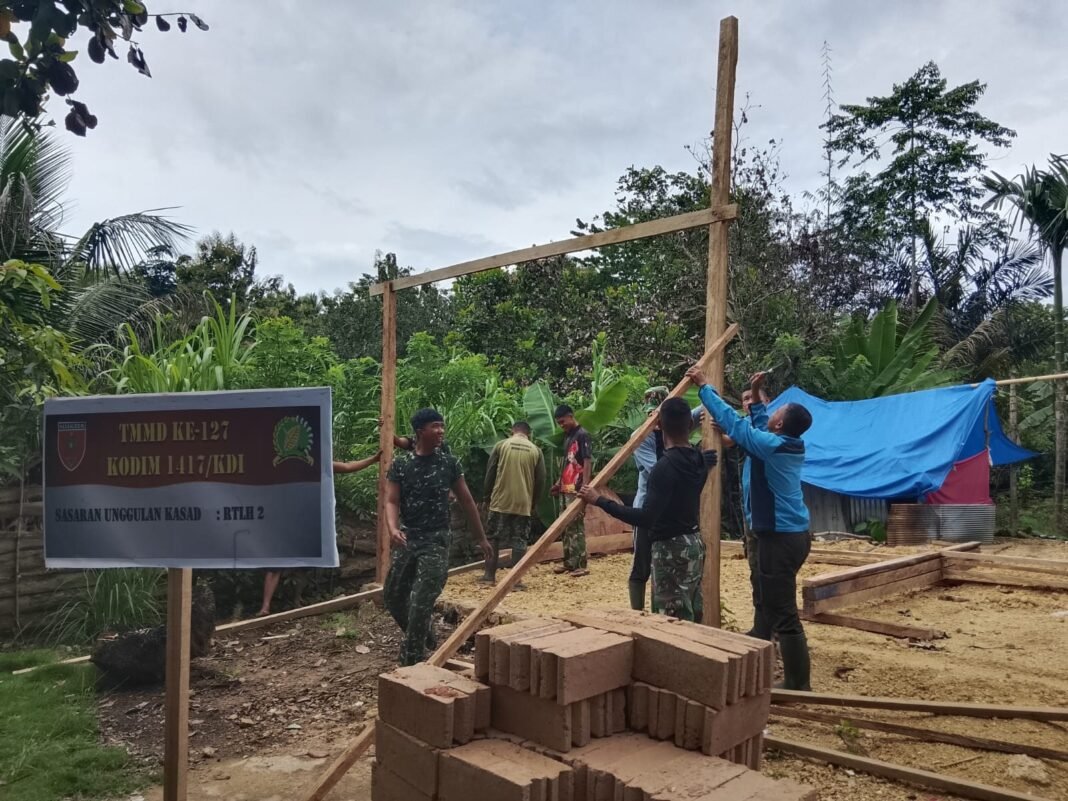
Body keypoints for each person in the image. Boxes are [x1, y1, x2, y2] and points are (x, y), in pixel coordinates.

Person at [687, 365, 814, 691]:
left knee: (783, 610)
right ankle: (760, 636)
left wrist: (704, 387)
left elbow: (737, 426)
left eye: (776, 412)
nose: (770, 414)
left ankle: (798, 682)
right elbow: (758, 422)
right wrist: (757, 394)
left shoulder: (771, 447)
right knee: (769, 593)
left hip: (781, 538)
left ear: (781, 424)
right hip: (791, 535)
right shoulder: (783, 443)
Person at [579, 398, 717, 621]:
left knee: (672, 618)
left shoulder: (665, 468)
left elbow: (646, 516)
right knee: (690, 610)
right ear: (690, 426)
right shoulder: (699, 460)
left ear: (659, 424)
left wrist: (600, 501)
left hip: (670, 547)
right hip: (692, 541)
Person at [384, 408, 491, 665]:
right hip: (409, 537)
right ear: (420, 431)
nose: (441, 431)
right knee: (393, 595)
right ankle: (424, 634)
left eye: (442, 426)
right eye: (435, 426)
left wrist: (481, 538)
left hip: (436, 540)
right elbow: (391, 500)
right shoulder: (402, 465)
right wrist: (392, 527)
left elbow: (466, 500)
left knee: (422, 600)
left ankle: (412, 662)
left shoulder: (448, 463)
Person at [257, 451, 382, 617]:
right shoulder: (282, 464)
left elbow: (347, 466)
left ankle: (297, 600)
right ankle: (265, 607)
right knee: (274, 565)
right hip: (284, 521)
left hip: (307, 520)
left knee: (304, 563)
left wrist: (373, 459)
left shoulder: (316, 464)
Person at [629, 387, 704, 611]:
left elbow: (704, 407)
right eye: (651, 415)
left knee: (672, 567)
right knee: (641, 566)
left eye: (659, 415)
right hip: (648, 507)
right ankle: (637, 613)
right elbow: (659, 473)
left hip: (675, 510)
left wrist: (705, 386)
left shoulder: (677, 421)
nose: (655, 421)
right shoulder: (640, 438)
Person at [717, 381, 770, 636]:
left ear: (765, 402)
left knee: (767, 574)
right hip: (753, 513)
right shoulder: (749, 428)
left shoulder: (771, 431)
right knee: (756, 570)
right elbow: (731, 441)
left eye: (753, 397)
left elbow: (739, 437)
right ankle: (763, 627)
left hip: (767, 516)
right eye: (745, 399)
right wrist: (719, 432)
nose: (747, 402)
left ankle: (773, 629)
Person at [481, 421, 546, 586]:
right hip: (523, 503)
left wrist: (486, 497)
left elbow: (490, 472)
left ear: (513, 431)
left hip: (500, 501)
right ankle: (515, 581)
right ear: (528, 433)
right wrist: (533, 502)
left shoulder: (501, 445)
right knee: (520, 540)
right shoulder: (535, 450)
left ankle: (489, 576)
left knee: (493, 537)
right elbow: (541, 480)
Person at [550, 405, 592, 577]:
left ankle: (581, 564)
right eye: (559, 423)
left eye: (563, 421)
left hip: (577, 488)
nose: (562, 425)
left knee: (576, 526)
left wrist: (586, 486)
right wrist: (558, 483)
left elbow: (587, 461)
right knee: (566, 526)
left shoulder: (582, 434)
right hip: (566, 487)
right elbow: (568, 463)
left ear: (570, 416)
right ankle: (569, 562)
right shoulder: (568, 436)